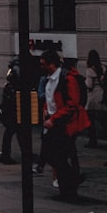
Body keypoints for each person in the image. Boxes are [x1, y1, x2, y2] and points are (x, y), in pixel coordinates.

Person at [38, 49, 90, 201]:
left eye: (43, 64)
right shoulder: (49, 78)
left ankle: (69, 186)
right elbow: (50, 99)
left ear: (51, 64)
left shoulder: (67, 78)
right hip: (55, 122)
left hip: (66, 123)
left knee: (58, 155)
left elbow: (72, 104)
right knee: (51, 154)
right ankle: (70, 182)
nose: (41, 67)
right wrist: (45, 111)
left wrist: (53, 119)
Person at [84, 49, 105, 148]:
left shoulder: (89, 70)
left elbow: (89, 85)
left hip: (92, 98)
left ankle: (92, 140)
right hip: (101, 95)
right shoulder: (102, 68)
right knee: (102, 118)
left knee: (90, 120)